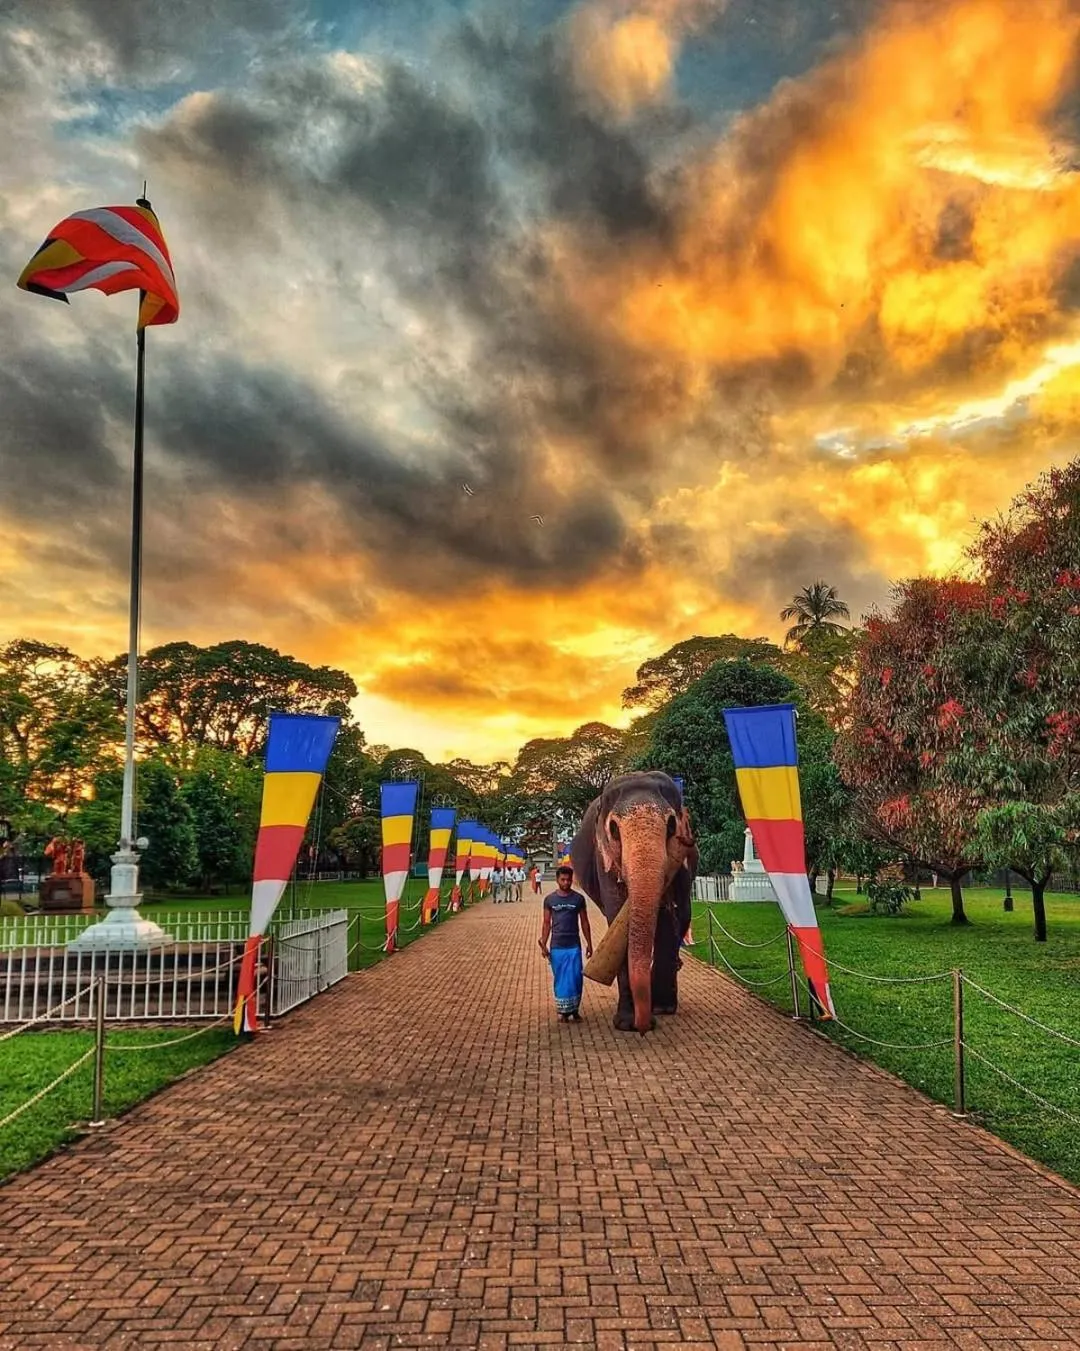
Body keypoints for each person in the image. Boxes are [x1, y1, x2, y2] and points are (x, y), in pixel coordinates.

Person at [539, 865, 593, 1022]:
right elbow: (546, 923)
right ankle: (563, 1012)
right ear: (557, 880)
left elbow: (584, 922)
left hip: (574, 946)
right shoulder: (550, 900)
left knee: (576, 978)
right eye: (563, 879)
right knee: (561, 979)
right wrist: (544, 943)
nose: (566, 882)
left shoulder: (578, 899)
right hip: (557, 947)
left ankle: (575, 1010)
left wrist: (589, 943)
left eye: (569, 880)